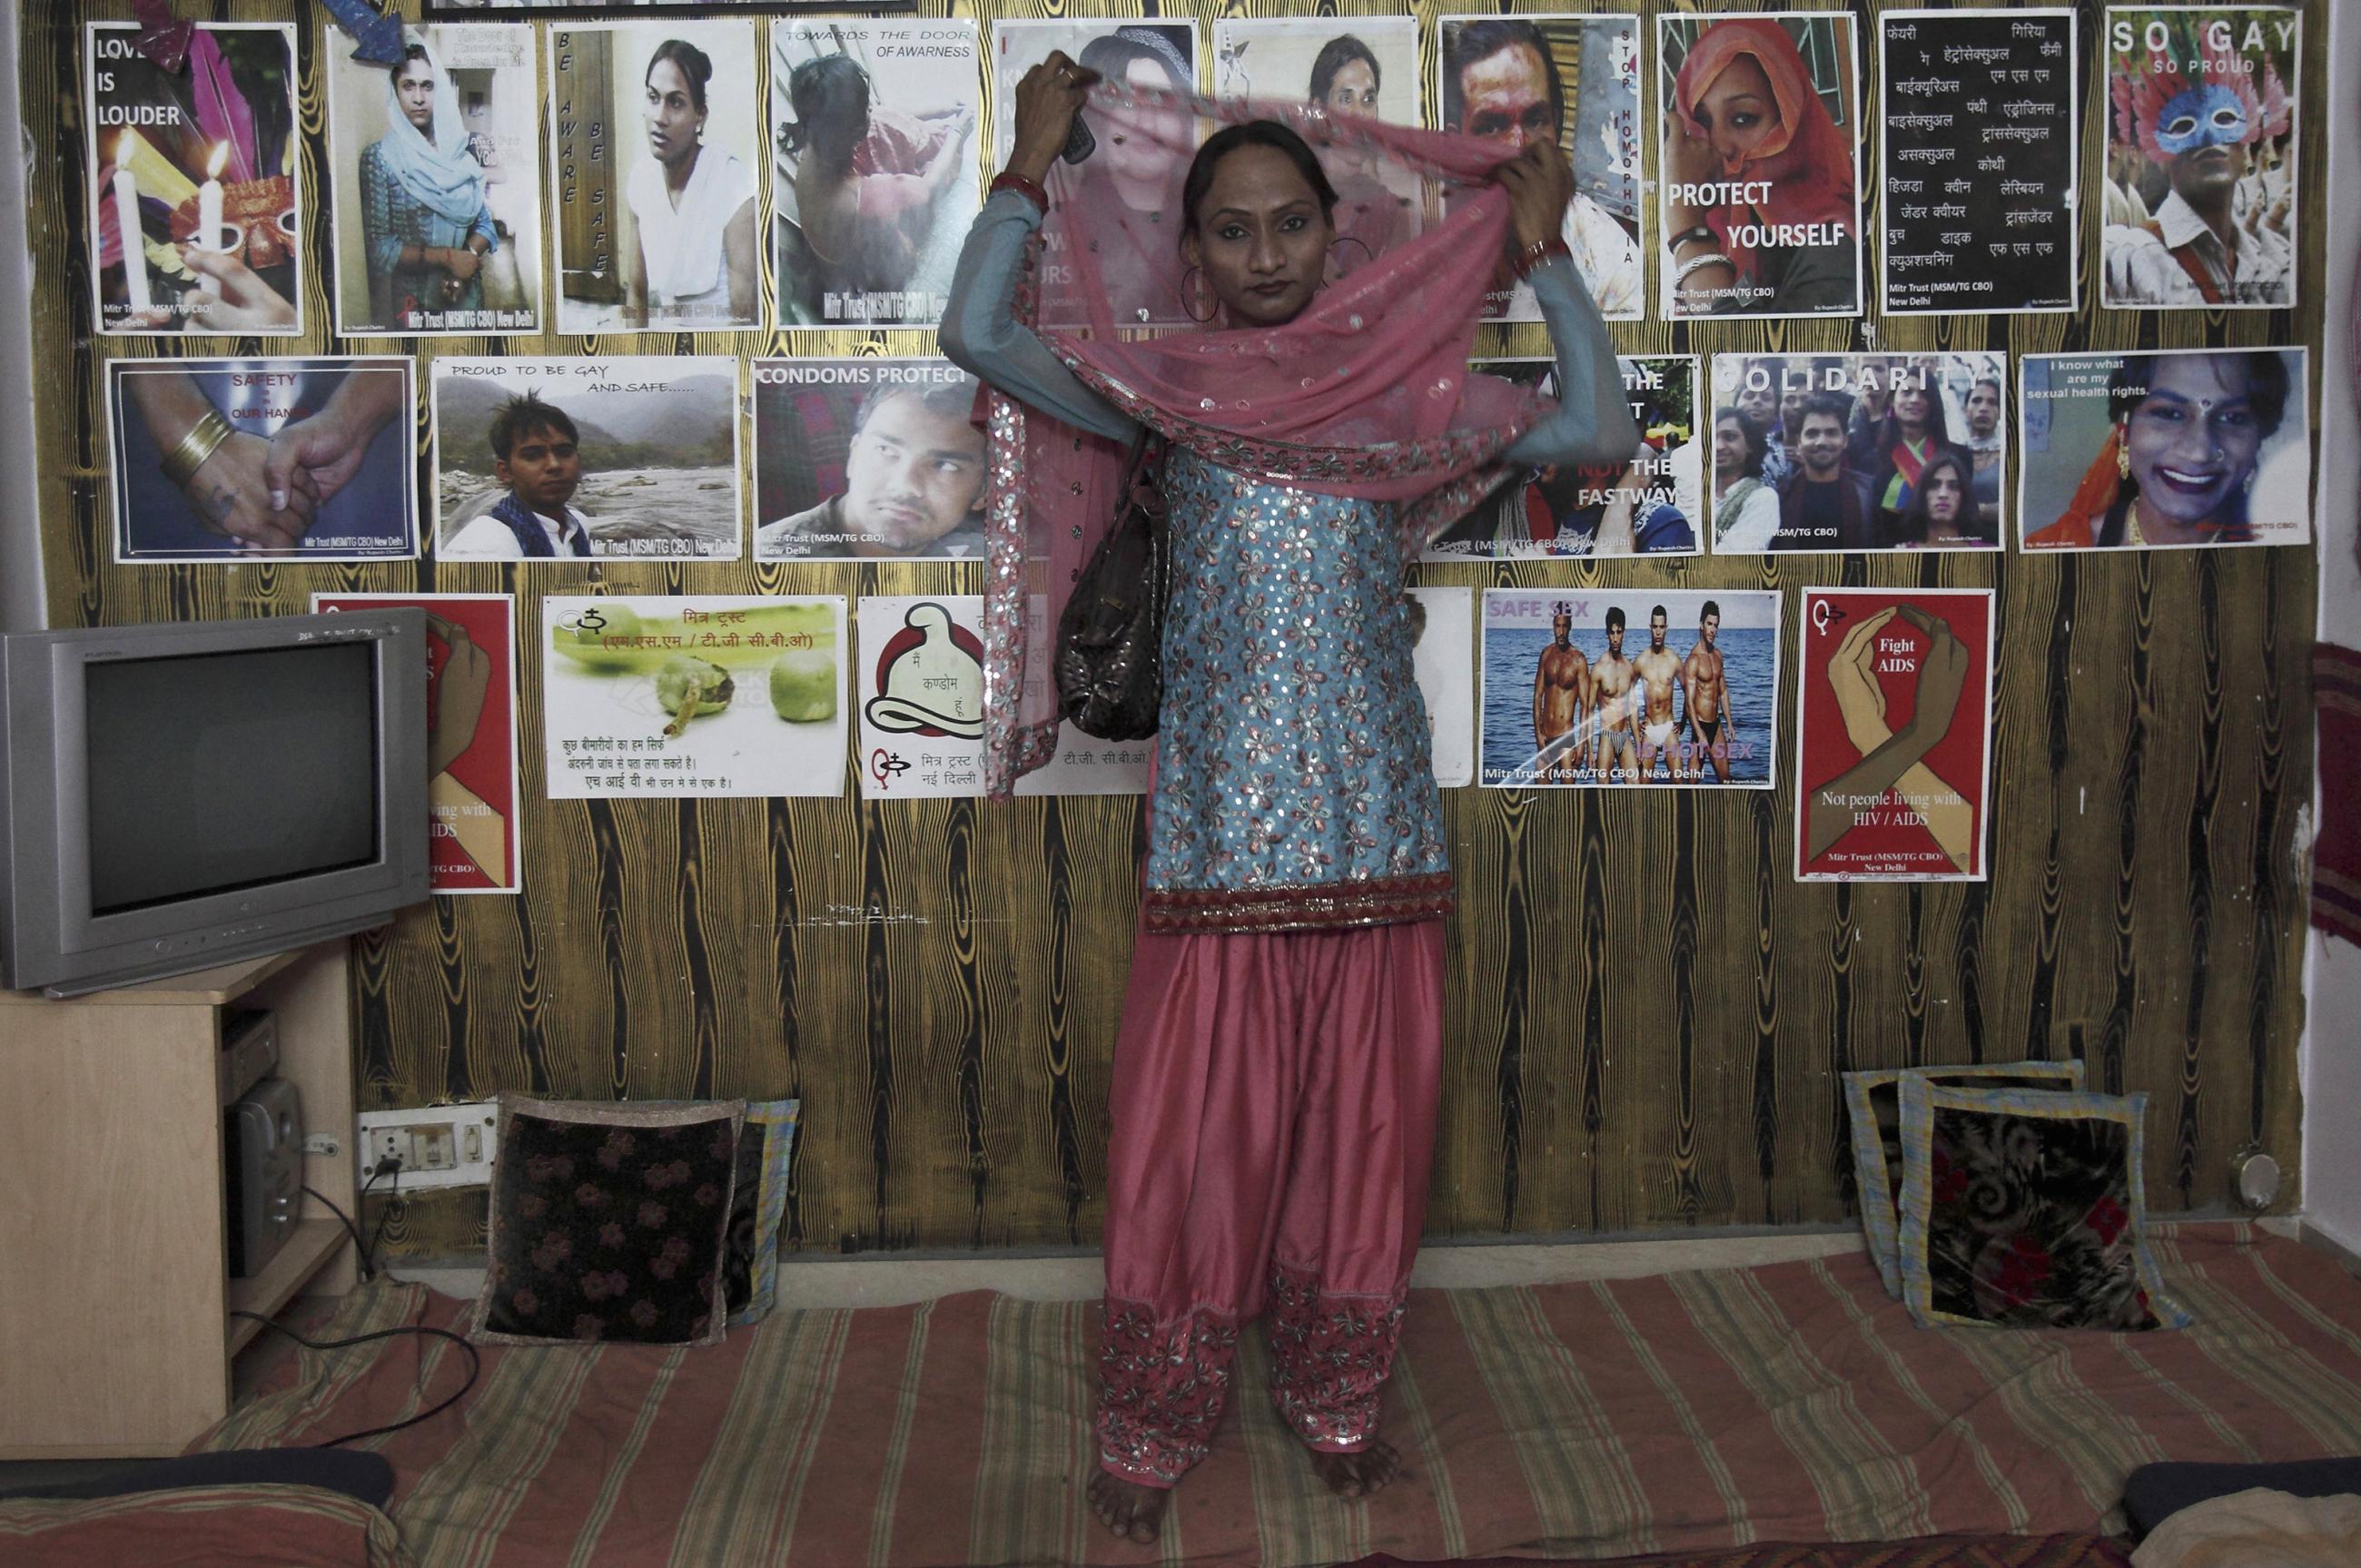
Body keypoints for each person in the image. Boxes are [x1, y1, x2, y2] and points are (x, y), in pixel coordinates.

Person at [942, 52, 1637, 1543]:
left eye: (1290, 225)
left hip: (1379, 836)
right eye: (1233, 231)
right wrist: (1024, 167)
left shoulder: (1400, 403)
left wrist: (1553, 247)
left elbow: (1592, 430)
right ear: (1190, 254)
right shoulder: (1165, 398)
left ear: (1338, 236)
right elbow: (974, 331)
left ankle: (1336, 1399)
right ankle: (1153, 1418)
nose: (1264, 256)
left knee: (1364, 1146)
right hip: (1212, 847)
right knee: (1192, 1156)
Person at [1443, 18, 1640, 317]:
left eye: (1535, 120)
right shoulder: (1427, 233)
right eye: (1493, 125)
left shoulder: (1603, 249)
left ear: (1557, 123)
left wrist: (1545, 254)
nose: (1519, 145)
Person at [1663, 17, 1856, 315]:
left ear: (1794, 121)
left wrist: (1689, 234)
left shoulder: (1836, 243)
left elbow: (1737, 352)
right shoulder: (1718, 218)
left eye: (1743, 119)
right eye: (1701, 122)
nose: (1721, 146)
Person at [779, 54, 975, 322]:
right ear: (854, 130)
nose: (872, 110)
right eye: (866, 109)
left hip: (831, 251)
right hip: (865, 263)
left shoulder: (813, 141)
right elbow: (929, 187)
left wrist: (938, 109)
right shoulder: (868, 196)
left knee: (884, 123)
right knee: (894, 270)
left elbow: (881, 116)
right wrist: (958, 131)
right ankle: (888, 318)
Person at [2024, 352, 2288, 549]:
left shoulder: (2281, 550)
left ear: (2259, 439)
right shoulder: (2057, 545)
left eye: (2232, 418)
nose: (2198, 452)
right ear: (2125, 432)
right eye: (2170, 414)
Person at [2103, 32, 2292, 307]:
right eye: (2183, 125)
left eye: (2225, 117)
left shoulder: (2273, 260)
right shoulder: (2133, 258)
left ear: (2247, 141)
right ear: (2160, 155)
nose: (2207, 134)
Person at [755, 379, 987, 558]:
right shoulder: (768, 560)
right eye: (886, 450)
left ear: (984, 492)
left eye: (944, 465)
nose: (906, 484)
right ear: (853, 456)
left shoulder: (989, 559)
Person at [359, 43, 498, 330]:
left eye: (428, 86)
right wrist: (449, 258)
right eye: (408, 86)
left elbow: (485, 224)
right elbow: (380, 250)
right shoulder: (381, 158)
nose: (419, 98)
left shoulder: (461, 154)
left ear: (442, 93)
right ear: (395, 92)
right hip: (416, 303)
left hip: (467, 294)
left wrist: (464, 265)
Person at [625, 39, 758, 328]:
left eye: (676, 102)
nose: (659, 118)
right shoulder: (640, 179)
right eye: (653, 97)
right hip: (668, 341)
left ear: (700, 116)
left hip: (719, 342)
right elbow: (636, 293)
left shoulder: (731, 180)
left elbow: (745, 313)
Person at [443, 393, 597, 558]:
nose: (554, 465)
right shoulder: (485, 542)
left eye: (564, 453)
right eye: (533, 456)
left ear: (579, 461)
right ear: (505, 472)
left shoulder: (579, 524)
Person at [1305, 35, 1411, 259]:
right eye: (1346, 99)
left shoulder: (1391, 212)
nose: (1360, 115)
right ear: (1318, 111)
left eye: (1368, 99)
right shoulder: (1293, 200)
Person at [1865, 361, 1958, 544]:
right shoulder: (1871, 461)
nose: (1915, 400)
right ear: (1892, 400)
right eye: (1906, 393)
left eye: (1923, 394)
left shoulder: (1958, 456)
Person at [1773, 394, 1875, 551]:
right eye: (1812, 434)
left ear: (1845, 440)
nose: (1822, 442)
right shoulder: (1781, 495)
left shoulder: (1868, 492)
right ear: (1799, 441)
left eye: (1831, 433)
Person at [1530, 605, 1591, 781]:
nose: (1561, 631)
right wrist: (1538, 734)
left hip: (1566, 737)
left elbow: (1586, 707)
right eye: (1558, 626)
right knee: (1541, 793)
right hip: (1545, 736)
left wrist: (1582, 745)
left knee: (1567, 796)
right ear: (1553, 625)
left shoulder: (1578, 660)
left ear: (1570, 626)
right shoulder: (1546, 655)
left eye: (1565, 626)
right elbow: (1537, 696)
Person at [1713, 405, 1780, 552]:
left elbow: (1735, 558)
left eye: (1729, 437)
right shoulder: (1701, 493)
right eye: (1711, 438)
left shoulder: (1763, 498)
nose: (1718, 446)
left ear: (1750, 445)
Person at [1680, 600, 1734, 784]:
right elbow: (1688, 703)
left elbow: (1723, 691)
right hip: (1699, 726)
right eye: (1709, 624)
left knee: (1726, 780)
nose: (1713, 630)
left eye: (1716, 626)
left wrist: (1730, 723)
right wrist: (1699, 733)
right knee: (1692, 785)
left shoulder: (1718, 656)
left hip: (1716, 725)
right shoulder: (1693, 659)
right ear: (1701, 625)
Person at [1892, 449, 1986, 548]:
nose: (1943, 494)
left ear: (1964, 496)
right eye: (1934, 485)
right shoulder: (1903, 553)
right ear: (1922, 494)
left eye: (1953, 486)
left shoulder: (1987, 552)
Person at [1632, 605, 1682, 782]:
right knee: (1643, 784)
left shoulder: (1674, 660)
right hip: (1650, 728)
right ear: (1650, 628)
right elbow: (1627, 691)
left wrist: (1683, 722)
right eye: (1655, 627)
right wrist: (1635, 721)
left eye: (1662, 627)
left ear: (1666, 628)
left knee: (1679, 782)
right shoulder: (1641, 661)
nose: (1658, 632)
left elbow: (1689, 691)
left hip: (1668, 728)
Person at [1590, 606, 1637, 782]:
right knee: (1603, 791)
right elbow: (1588, 711)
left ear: (1624, 632)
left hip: (1624, 737)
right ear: (1607, 633)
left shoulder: (1629, 668)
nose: (1615, 638)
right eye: (1612, 633)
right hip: (1607, 737)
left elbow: (1632, 707)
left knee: (1637, 787)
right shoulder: (1598, 669)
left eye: (1619, 632)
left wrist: (1638, 744)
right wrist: (1589, 750)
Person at [1734, 365, 1791, 488]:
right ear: (1736, 404)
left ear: (1776, 414)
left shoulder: (1786, 456)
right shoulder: (1716, 446)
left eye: (1766, 398)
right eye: (1749, 396)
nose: (1757, 401)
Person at [1962, 376, 2004, 536]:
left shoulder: (2009, 455)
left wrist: (1977, 510)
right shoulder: (1953, 454)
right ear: (1965, 409)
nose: (1984, 408)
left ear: (2000, 412)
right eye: (1977, 400)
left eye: (1992, 402)